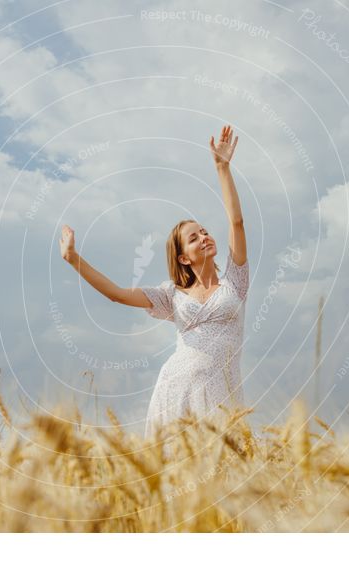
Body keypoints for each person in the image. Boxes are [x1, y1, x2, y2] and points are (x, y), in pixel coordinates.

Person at [60, 125, 249, 439]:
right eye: (194, 237)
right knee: (177, 474)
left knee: (226, 472)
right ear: (183, 258)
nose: (204, 237)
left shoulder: (235, 281)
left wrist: (222, 168)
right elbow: (117, 295)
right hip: (176, 389)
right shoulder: (171, 295)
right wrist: (73, 259)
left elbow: (237, 222)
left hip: (223, 393)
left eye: (204, 231)